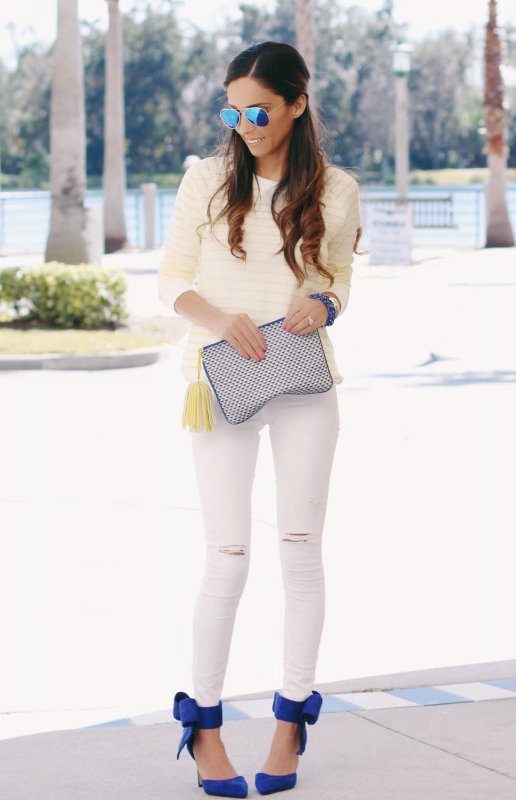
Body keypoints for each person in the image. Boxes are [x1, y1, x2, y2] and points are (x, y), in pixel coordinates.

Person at [158, 41, 362, 798]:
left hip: (306, 381)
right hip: (219, 381)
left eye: (259, 110)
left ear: (297, 105)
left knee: (301, 550)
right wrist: (221, 320)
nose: (244, 123)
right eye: (231, 109)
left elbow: (341, 276)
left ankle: (289, 724)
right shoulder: (205, 180)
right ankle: (203, 727)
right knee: (228, 557)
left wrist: (326, 303)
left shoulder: (336, 190)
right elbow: (173, 281)